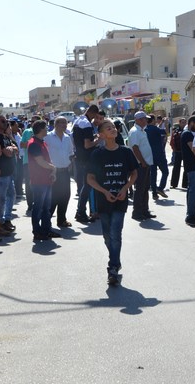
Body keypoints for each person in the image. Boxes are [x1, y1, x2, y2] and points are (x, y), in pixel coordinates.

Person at [87, 119, 138, 285]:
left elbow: (134, 173)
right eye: (108, 128)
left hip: (120, 200)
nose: (113, 129)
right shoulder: (97, 154)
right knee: (107, 236)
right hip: (103, 200)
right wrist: (104, 191)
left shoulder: (126, 152)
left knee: (116, 233)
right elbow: (90, 179)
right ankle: (115, 259)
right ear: (101, 135)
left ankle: (113, 267)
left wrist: (125, 188)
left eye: (113, 127)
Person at [28, 120, 61, 240]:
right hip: (38, 181)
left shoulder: (41, 142)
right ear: (41, 129)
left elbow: (47, 159)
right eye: (45, 128)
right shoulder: (34, 144)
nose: (47, 129)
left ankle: (47, 230)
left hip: (46, 180)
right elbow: (40, 161)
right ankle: (37, 231)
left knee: (46, 208)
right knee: (38, 208)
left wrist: (52, 171)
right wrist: (53, 168)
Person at [45, 116, 74, 228]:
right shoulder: (48, 137)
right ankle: (46, 221)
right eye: (61, 123)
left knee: (65, 195)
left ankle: (61, 220)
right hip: (53, 172)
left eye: (65, 123)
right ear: (56, 124)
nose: (64, 125)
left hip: (65, 171)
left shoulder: (67, 137)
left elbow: (70, 152)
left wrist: (70, 163)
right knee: (53, 197)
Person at [72, 105, 100, 223]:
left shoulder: (78, 121)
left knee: (84, 186)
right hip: (86, 159)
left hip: (79, 157)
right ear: (93, 113)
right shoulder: (87, 124)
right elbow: (87, 144)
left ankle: (81, 211)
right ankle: (80, 212)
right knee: (87, 186)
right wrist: (98, 140)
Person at [128, 111, 155, 221]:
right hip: (140, 165)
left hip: (145, 164)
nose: (146, 121)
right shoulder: (135, 132)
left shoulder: (142, 131)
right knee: (140, 189)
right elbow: (135, 148)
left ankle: (144, 210)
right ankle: (137, 212)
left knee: (145, 188)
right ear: (138, 120)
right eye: (144, 119)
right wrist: (142, 162)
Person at [0, 115, 18, 233]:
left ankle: (7, 219)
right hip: (1, 173)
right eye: (3, 121)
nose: (6, 124)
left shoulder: (6, 136)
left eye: (6, 122)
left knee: (11, 196)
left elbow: (16, 148)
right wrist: (11, 149)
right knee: (1, 199)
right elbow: (7, 153)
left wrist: (10, 139)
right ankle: (0, 221)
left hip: (9, 172)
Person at [182, 116, 195, 226]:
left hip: (194, 167)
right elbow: (194, 150)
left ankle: (193, 213)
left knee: (193, 191)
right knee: (194, 191)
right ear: (191, 123)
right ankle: (190, 216)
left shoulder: (192, 134)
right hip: (192, 167)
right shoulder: (187, 134)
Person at [146, 115, 169, 200]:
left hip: (150, 155)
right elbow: (166, 132)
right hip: (159, 154)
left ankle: (154, 193)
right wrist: (166, 124)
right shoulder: (155, 129)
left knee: (153, 174)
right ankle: (160, 188)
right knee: (165, 171)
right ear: (152, 120)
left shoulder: (145, 129)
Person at [170, 118, 187, 189]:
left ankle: (185, 184)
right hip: (178, 151)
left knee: (186, 168)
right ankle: (174, 183)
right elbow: (172, 141)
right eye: (182, 122)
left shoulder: (187, 131)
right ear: (179, 123)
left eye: (184, 122)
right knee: (176, 168)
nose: (184, 124)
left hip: (185, 152)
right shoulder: (176, 131)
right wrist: (174, 150)